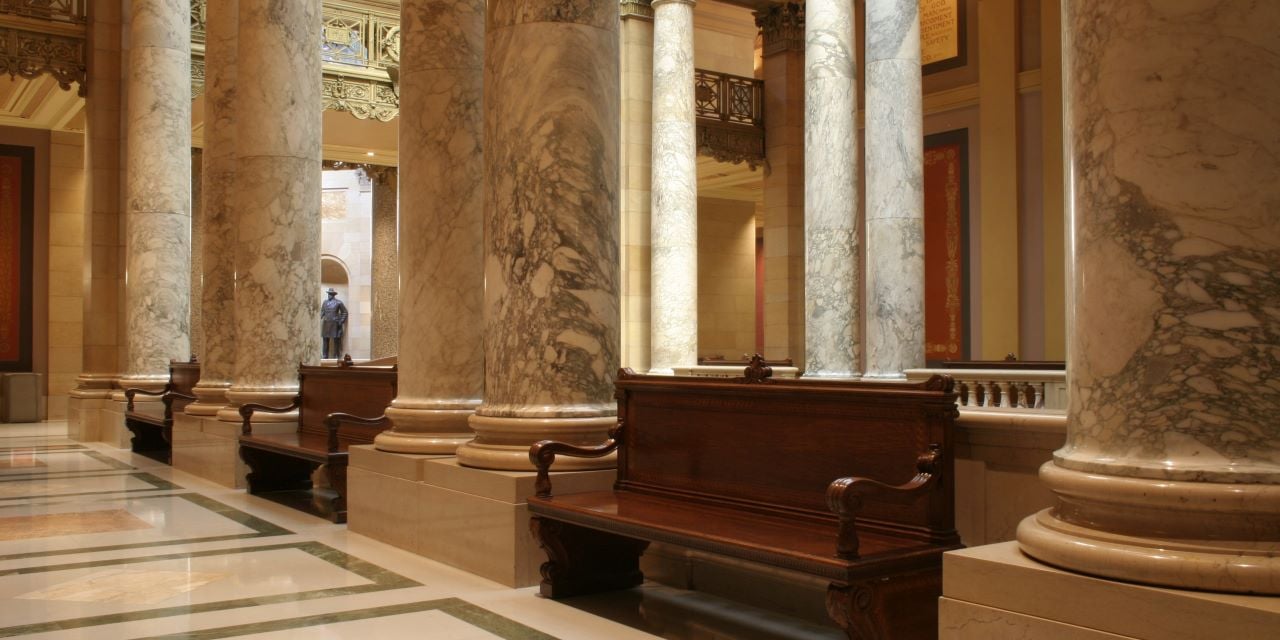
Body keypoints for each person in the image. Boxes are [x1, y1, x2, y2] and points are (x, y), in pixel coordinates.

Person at [320, 288, 348, 359]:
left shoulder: (338, 302)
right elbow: (322, 312)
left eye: (330, 294)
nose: (329, 295)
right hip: (326, 323)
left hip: (335, 324)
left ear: (333, 295)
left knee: (336, 341)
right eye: (328, 293)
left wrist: (341, 321)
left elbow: (344, 312)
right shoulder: (325, 302)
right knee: (325, 340)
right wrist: (319, 317)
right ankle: (325, 356)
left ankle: (336, 356)